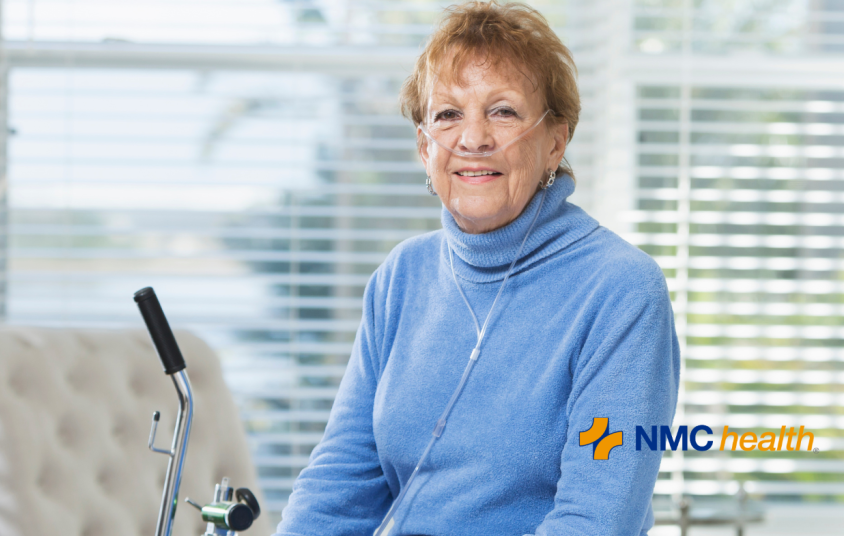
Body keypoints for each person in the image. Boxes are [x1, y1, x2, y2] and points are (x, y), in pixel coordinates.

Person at [274, 2, 679, 535]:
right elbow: (339, 484)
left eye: (503, 110)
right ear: (425, 146)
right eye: (448, 114)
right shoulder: (401, 278)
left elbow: (596, 517)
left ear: (554, 141)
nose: (473, 139)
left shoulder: (620, 289)